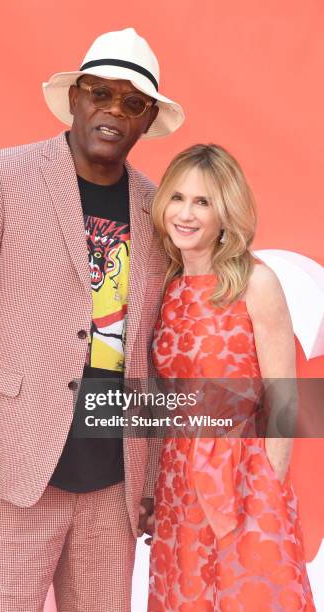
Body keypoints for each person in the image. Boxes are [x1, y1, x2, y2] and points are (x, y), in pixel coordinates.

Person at [0, 28, 184, 612]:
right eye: (100, 92)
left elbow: (151, 352)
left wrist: (151, 475)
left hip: (113, 478)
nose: (114, 111)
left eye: (133, 103)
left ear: (147, 121)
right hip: (12, 470)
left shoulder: (156, 206)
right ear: (74, 98)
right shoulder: (2, 177)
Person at [147, 144, 315, 611]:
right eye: (177, 197)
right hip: (178, 476)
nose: (185, 213)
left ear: (226, 212)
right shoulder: (168, 284)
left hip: (243, 475)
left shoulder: (255, 282)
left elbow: (283, 396)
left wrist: (269, 486)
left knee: (253, 596)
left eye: (203, 202)